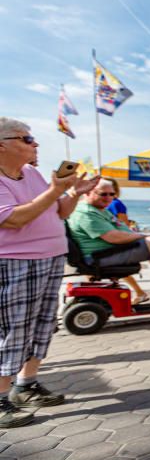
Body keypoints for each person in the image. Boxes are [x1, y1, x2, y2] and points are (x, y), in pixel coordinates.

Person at [0, 118, 98, 427]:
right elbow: (14, 219)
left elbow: (60, 211)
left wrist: (75, 193)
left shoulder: (31, 174)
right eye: (26, 139)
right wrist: (56, 189)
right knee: (12, 328)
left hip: (50, 257)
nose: (35, 144)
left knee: (42, 324)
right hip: (15, 261)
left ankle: (26, 384)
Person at [67, 178, 150, 281]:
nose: (108, 198)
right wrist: (144, 236)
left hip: (107, 252)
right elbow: (113, 237)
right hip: (98, 257)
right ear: (87, 193)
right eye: (103, 194)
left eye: (112, 194)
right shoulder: (86, 213)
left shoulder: (99, 210)